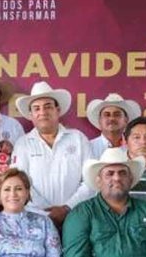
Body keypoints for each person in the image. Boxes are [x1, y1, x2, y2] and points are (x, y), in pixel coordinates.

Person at [11, 81, 90, 224]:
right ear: (31, 114)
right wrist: (45, 211)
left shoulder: (78, 138)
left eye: (48, 106)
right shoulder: (23, 144)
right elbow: (19, 181)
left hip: (76, 215)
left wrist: (67, 208)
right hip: (34, 218)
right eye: (36, 108)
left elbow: (90, 180)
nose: (42, 112)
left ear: (57, 110)